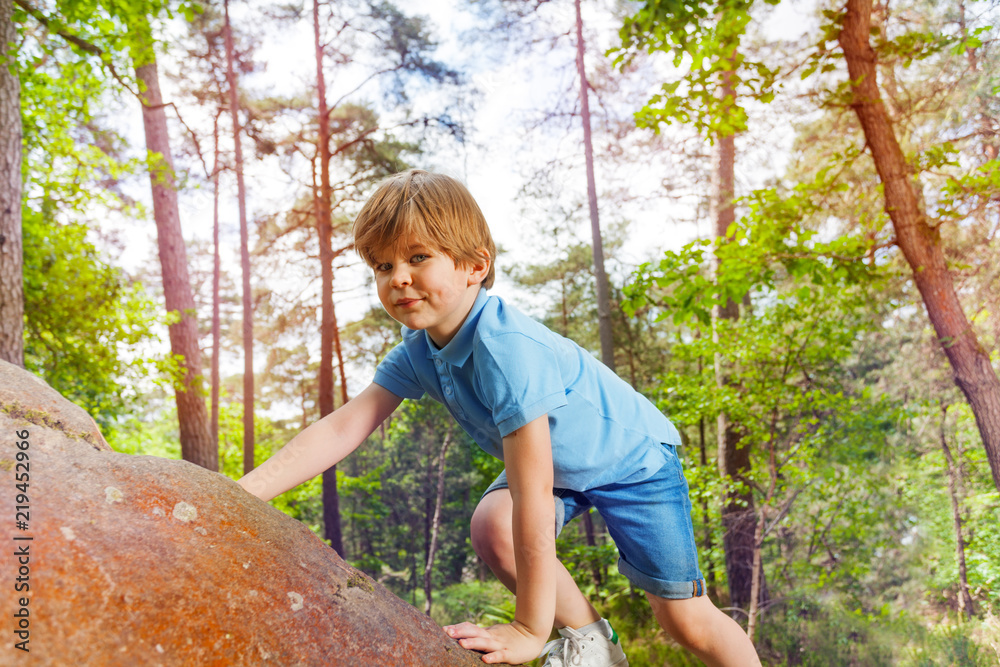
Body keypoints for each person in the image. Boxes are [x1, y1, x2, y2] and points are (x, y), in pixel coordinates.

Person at [237, 169, 761, 667]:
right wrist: (242, 492)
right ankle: (593, 647)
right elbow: (343, 425)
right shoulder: (419, 349)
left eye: (418, 256)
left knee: (684, 619)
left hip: (630, 462)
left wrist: (530, 629)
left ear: (475, 265)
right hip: (556, 468)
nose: (399, 278)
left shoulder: (506, 347)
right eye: (381, 265)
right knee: (493, 526)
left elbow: (533, 491)